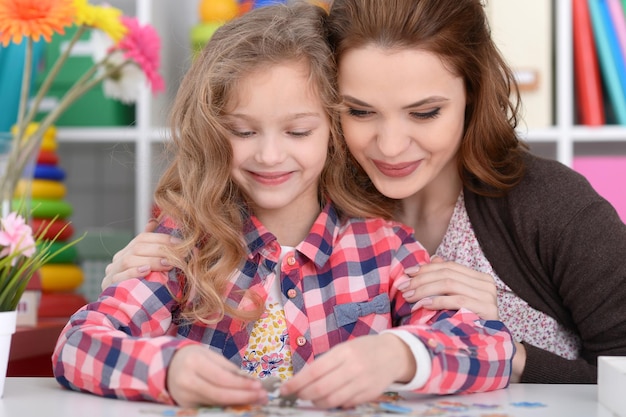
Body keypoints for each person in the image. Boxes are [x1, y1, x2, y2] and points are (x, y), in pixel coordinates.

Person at [102, 0, 626, 385]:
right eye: (359, 111)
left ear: (473, 93)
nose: (391, 145)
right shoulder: (302, 192)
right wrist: (134, 277)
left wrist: (515, 355)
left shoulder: (552, 206)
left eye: (425, 112)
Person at [53, 1, 514, 409]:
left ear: (334, 131)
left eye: (298, 131)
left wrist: (398, 354)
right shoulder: (182, 245)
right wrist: (168, 368)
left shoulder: (385, 248)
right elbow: (76, 346)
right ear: (212, 132)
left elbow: (491, 348)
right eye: (242, 131)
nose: (270, 156)